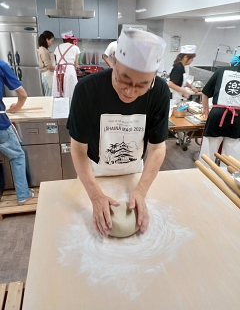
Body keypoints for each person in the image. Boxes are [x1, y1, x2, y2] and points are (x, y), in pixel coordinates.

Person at [67, 29, 170, 236]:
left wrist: (140, 190)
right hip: (96, 172)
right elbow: (78, 149)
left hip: (135, 172)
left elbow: (158, 147)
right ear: (113, 62)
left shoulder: (159, 91)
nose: (130, 92)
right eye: (123, 80)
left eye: (142, 85)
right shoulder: (87, 90)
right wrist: (96, 196)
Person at [0, 60, 34, 203]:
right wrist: (18, 106)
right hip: (0, 124)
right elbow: (22, 94)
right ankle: (23, 195)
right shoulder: (1, 65)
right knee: (17, 156)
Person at [198, 54, 240, 165]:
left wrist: (206, 110)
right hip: (238, 117)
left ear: (232, 63)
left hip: (217, 114)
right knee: (232, 152)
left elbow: (205, 92)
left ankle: (203, 176)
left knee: (209, 148)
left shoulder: (221, 70)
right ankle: (228, 179)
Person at [52, 35, 80, 102]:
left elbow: (56, 61)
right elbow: (76, 64)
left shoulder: (57, 47)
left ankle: (58, 110)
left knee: (58, 93)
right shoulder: (75, 48)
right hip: (69, 70)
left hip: (58, 71)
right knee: (70, 93)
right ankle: (70, 109)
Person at [37, 31, 55, 96]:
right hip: (47, 74)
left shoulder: (43, 49)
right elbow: (49, 66)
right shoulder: (43, 50)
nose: (51, 43)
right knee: (49, 94)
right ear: (47, 39)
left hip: (46, 74)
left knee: (49, 93)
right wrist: (58, 68)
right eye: (51, 41)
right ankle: (49, 106)